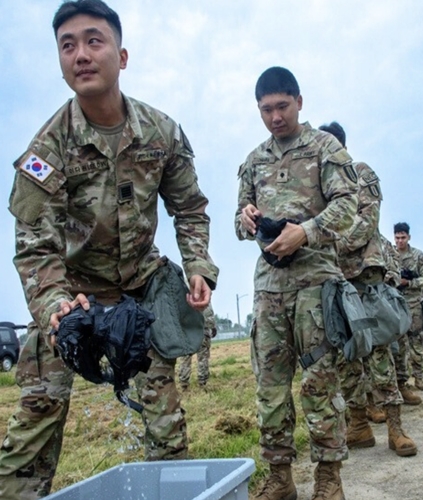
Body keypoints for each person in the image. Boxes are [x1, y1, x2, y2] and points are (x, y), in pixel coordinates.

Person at [0, 1, 218, 497]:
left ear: (121, 57)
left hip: (142, 291)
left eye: (93, 41)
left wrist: (198, 266)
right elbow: (34, 245)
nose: (80, 54)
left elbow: (190, 207)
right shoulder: (46, 151)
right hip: (72, 298)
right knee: (33, 423)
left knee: (165, 424)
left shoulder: (161, 133)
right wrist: (55, 307)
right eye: (67, 45)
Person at [235, 67, 357, 500]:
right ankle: (280, 477)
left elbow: (349, 206)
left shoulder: (325, 148)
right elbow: (238, 223)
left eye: (282, 107)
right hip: (269, 288)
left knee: (319, 382)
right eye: (266, 110)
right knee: (270, 386)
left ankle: (328, 477)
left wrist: (305, 232)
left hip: (315, 287)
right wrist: (246, 219)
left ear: (299, 102)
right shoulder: (254, 160)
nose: (275, 117)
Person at [320, 121, 417, 457]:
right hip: (335, 281)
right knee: (346, 355)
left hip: (365, 279)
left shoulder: (361, 174)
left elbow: (365, 223)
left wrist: (324, 243)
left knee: (378, 352)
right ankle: (359, 425)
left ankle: (395, 429)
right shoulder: (318, 184)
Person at [393, 222, 423, 398]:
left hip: (414, 304)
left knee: (416, 341)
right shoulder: (389, 255)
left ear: (409, 237)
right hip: (395, 305)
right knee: (398, 344)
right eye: (397, 237)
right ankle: (401, 381)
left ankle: (419, 378)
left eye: (403, 237)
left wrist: (409, 282)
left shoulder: (418, 256)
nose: (400, 241)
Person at [178, 304, 217, 391]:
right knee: (203, 358)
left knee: (185, 358)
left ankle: (184, 383)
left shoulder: (184, 299)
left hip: (187, 332)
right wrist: (213, 327)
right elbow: (209, 317)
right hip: (202, 331)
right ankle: (202, 383)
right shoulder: (204, 301)